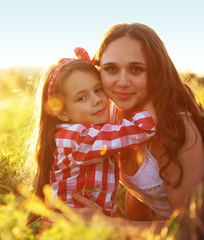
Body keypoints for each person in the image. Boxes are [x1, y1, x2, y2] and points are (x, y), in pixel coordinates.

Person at [73, 23, 204, 229]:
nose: (122, 82)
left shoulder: (178, 129)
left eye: (136, 69)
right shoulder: (112, 114)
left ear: (156, 72)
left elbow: (190, 230)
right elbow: (139, 195)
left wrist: (107, 225)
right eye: (111, 69)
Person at [27, 47, 157, 225]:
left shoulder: (90, 129)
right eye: (82, 98)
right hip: (68, 232)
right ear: (62, 113)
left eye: (98, 90)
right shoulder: (78, 139)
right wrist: (154, 99)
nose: (96, 99)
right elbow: (141, 129)